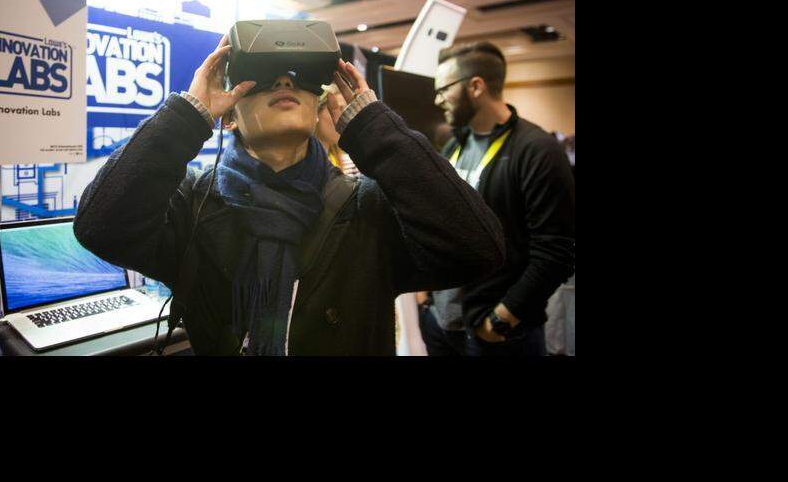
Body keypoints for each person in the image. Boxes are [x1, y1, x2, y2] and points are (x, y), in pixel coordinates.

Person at [73, 33, 505, 355]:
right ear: (229, 118)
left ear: (319, 103)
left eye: (300, 74)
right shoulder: (193, 204)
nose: (283, 79)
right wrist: (188, 114)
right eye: (259, 78)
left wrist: (373, 127)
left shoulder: (369, 206)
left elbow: (478, 247)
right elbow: (100, 226)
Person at [420, 42, 575, 357]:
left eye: (444, 89)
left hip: (497, 332)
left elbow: (557, 249)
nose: (438, 100)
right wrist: (427, 295)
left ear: (476, 86)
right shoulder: (455, 145)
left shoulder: (536, 150)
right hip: (443, 322)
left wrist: (502, 319)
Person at [315, 83, 361, 177]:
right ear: (316, 113)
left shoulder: (351, 162)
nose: (346, 118)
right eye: (338, 109)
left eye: (346, 110)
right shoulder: (301, 164)